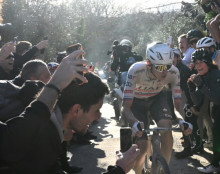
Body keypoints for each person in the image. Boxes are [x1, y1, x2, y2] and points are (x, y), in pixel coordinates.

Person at [0, 50, 140, 174]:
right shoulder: (41, 136)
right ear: (76, 110)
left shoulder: (50, 128)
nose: (98, 117)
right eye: (96, 110)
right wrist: (119, 170)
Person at [121, 42, 193, 174]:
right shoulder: (136, 70)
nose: (165, 71)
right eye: (160, 67)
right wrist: (134, 123)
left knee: (167, 130)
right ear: (149, 64)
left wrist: (182, 121)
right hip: (136, 102)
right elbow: (125, 107)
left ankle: (160, 170)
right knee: (142, 148)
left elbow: (177, 107)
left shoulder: (174, 72)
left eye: (168, 65)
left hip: (157, 99)